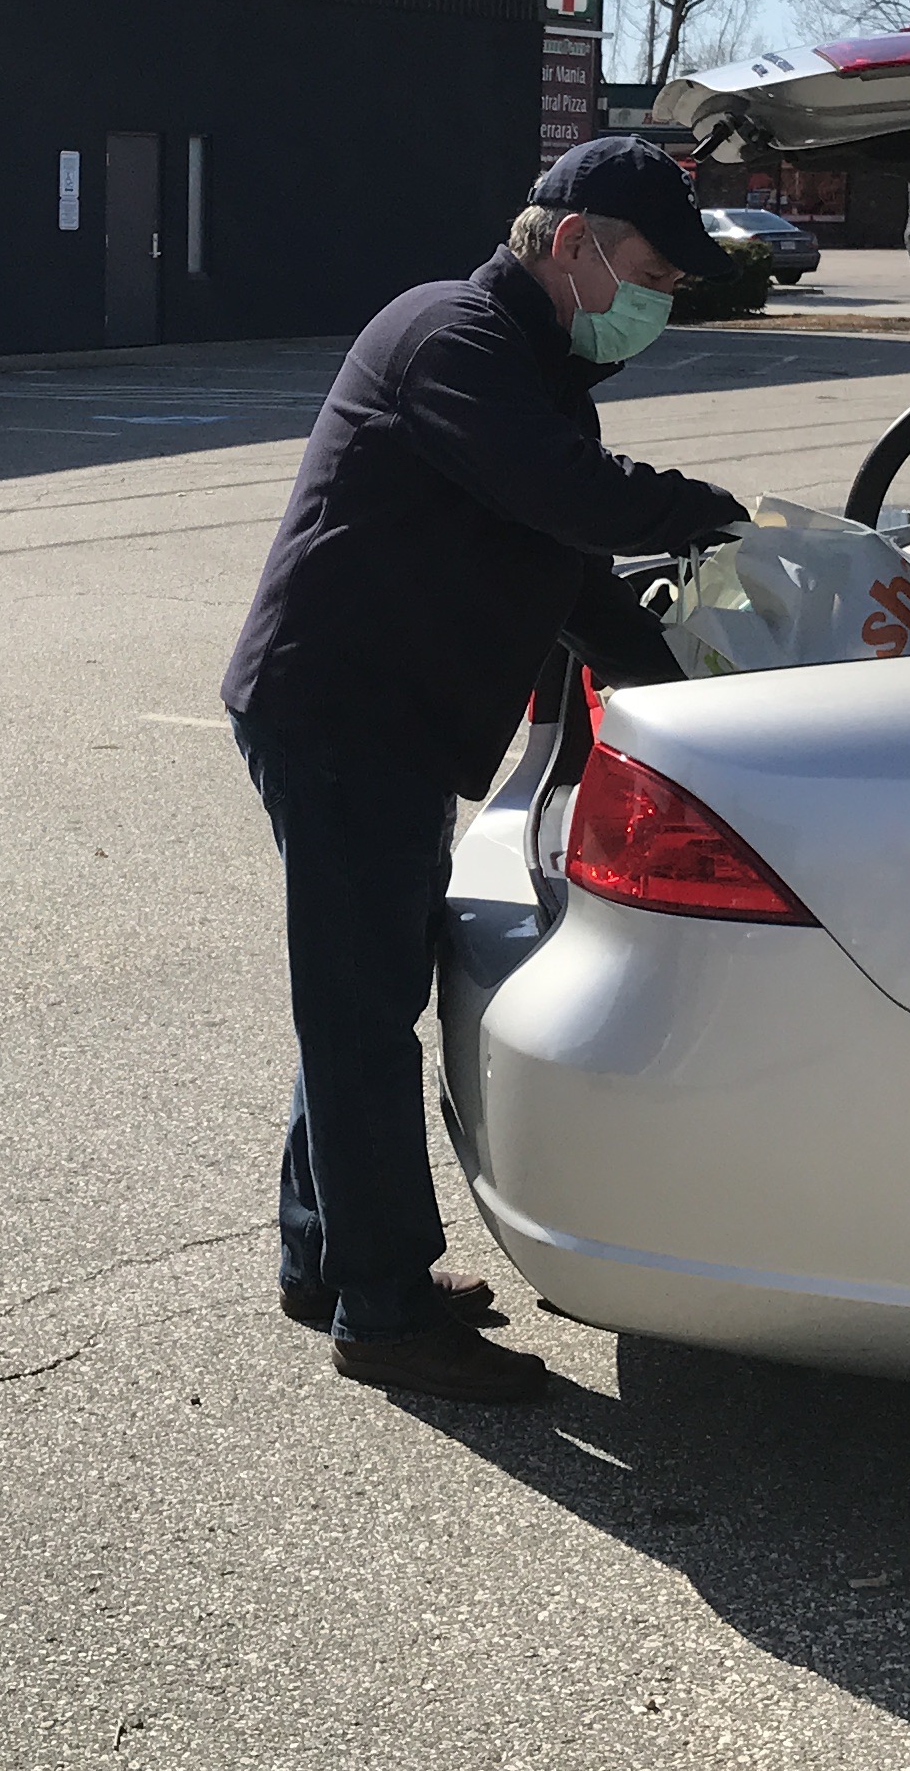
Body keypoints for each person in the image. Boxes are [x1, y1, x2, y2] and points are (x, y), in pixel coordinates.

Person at [220, 137, 749, 1404]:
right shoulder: (451, 338)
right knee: (358, 1013)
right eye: (650, 275)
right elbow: (571, 499)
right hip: (342, 717)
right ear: (571, 243)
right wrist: (714, 511)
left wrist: (687, 687)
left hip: (382, 717)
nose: (659, 305)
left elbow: (565, 570)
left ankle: (326, 1262)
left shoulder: (538, 366)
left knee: (363, 994)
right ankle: (386, 1311)